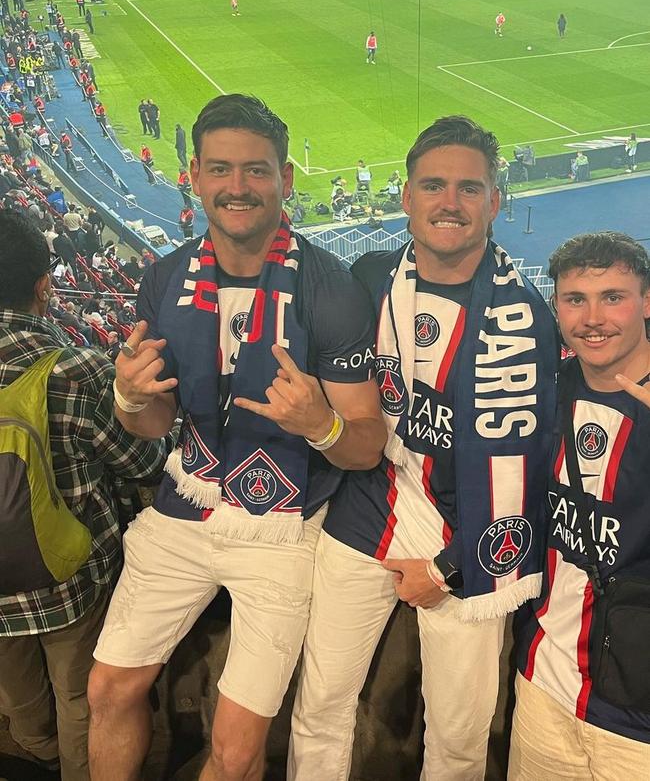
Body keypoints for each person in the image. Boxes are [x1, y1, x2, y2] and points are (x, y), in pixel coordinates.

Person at [86, 94, 385, 781]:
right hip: (185, 504)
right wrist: (129, 395)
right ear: (194, 173)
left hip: (282, 526)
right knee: (109, 689)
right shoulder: (164, 278)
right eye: (221, 169)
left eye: (256, 170)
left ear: (285, 177)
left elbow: (365, 444)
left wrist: (322, 424)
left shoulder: (330, 289)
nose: (238, 187)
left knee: (238, 749)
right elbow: (152, 423)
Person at [289, 115, 558, 781]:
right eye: (433, 185)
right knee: (319, 701)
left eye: (471, 188)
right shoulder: (370, 274)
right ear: (404, 196)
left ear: (496, 200)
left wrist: (453, 566)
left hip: (467, 537)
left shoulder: (527, 319)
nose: (450, 202)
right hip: (365, 508)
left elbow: (528, 474)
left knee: (460, 738)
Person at [0, 211, 166, 781]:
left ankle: (31, 749)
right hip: (67, 579)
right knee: (80, 697)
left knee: (15, 681)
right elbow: (141, 461)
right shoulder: (77, 370)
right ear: (45, 287)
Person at [511, 231, 650, 780]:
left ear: (647, 300)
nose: (593, 318)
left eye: (613, 297)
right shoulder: (545, 391)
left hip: (638, 719)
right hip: (543, 684)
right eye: (576, 300)